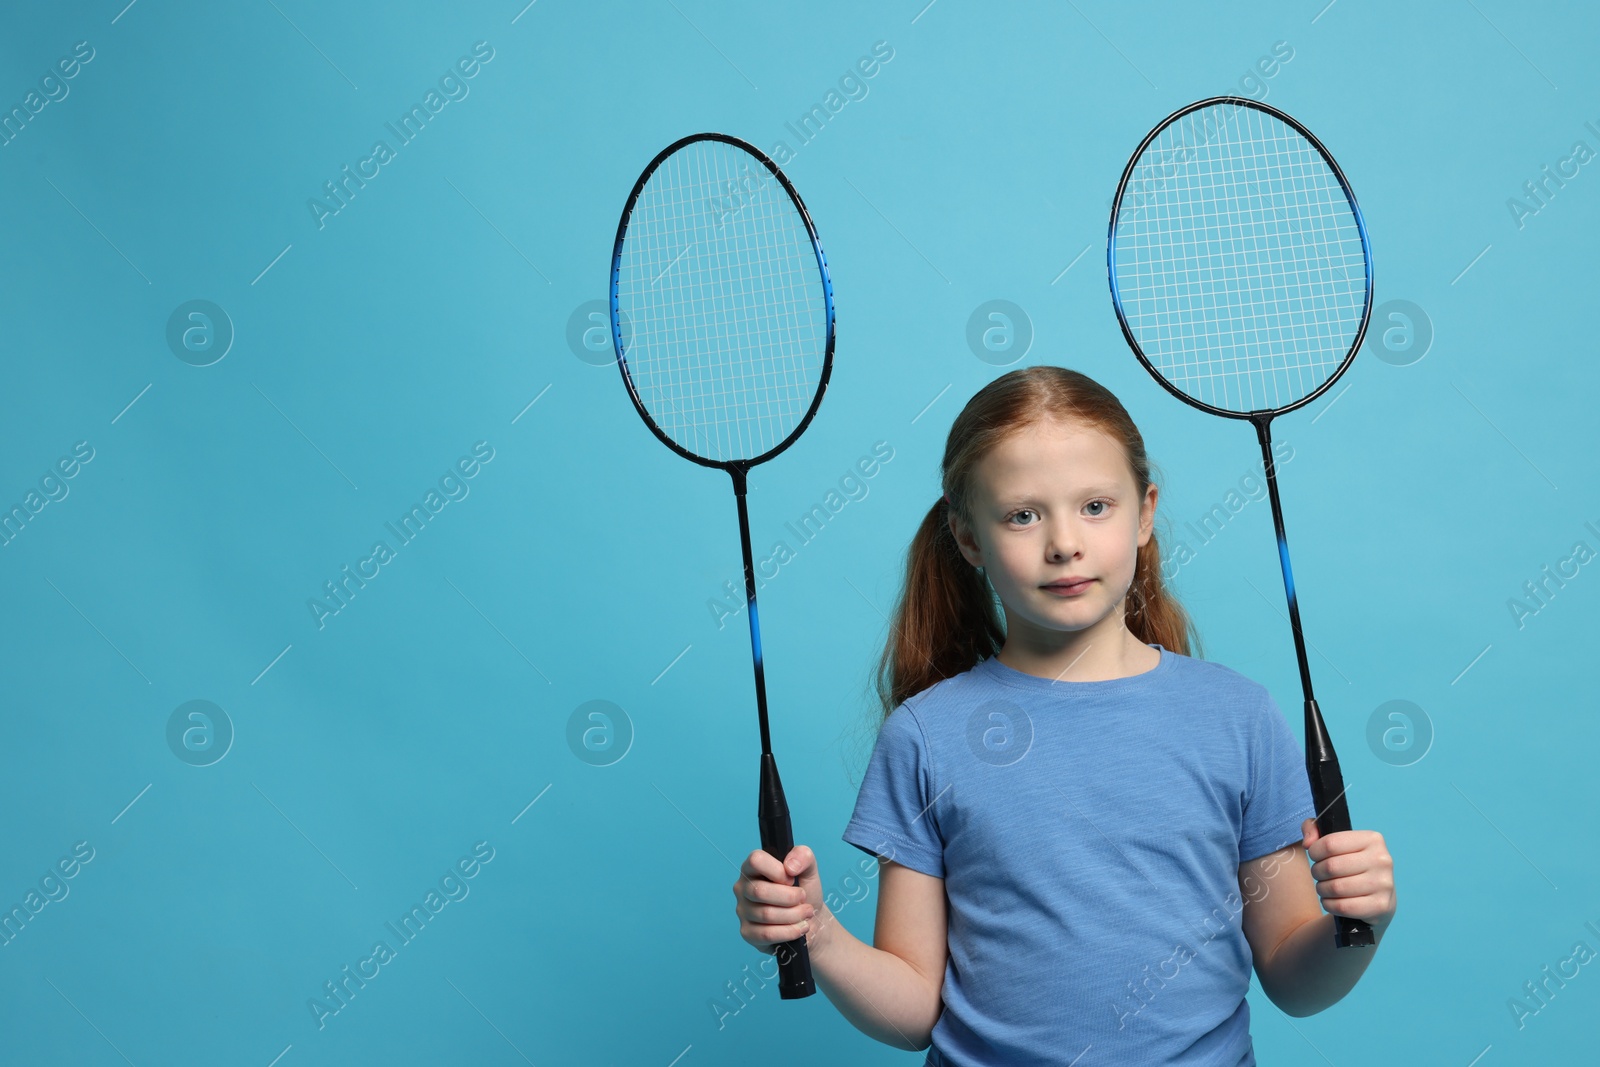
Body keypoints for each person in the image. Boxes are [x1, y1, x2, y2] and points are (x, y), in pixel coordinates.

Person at [732, 365, 1397, 1065]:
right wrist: (820, 932)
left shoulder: (1238, 716)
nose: (1064, 542)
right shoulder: (926, 737)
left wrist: (1360, 922)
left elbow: (1294, 977)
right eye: (1023, 514)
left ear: (1145, 512)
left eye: (1096, 506)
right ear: (967, 539)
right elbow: (916, 1012)